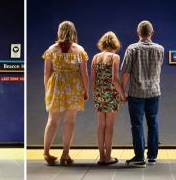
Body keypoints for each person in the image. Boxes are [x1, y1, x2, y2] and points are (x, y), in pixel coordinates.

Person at [42, 21, 89, 166]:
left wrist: (47, 89)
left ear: (59, 32)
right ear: (74, 32)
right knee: (70, 121)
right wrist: (86, 90)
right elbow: (84, 74)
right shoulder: (80, 50)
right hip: (74, 86)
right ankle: (65, 154)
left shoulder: (51, 49)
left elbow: (46, 73)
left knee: (52, 120)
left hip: (56, 86)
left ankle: (46, 152)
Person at [121, 20, 164, 167]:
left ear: (138, 33)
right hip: (154, 92)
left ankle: (139, 157)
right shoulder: (160, 49)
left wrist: (122, 92)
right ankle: (152, 156)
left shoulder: (132, 49)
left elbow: (126, 73)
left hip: (136, 93)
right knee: (153, 123)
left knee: (137, 125)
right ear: (151, 33)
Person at [91, 31, 126, 165]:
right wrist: (122, 95)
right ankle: (108, 157)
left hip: (99, 93)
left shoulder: (95, 57)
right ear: (115, 43)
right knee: (109, 126)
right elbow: (114, 79)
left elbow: (93, 81)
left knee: (100, 125)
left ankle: (101, 156)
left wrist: (97, 93)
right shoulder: (114, 57)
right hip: (111, 93)